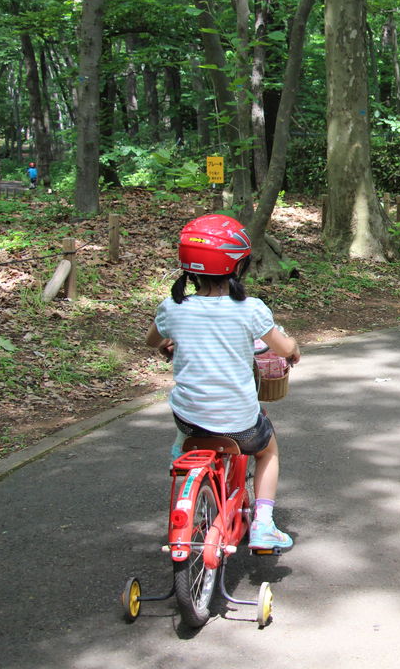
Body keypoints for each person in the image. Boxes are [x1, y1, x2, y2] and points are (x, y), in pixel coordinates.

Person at [146, 214, 301, 550]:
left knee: (186, 431)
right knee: (268, 450)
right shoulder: (251, 309)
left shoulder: (172, 308)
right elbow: (282, 347)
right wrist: (293, 349)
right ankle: (263, 524)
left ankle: (183, 468)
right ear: (238, 266)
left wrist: (168, 343)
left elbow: (152, 340)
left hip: (189, 419)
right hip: (239, 423)